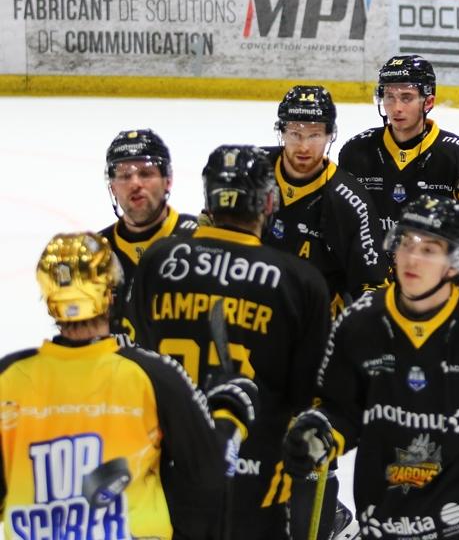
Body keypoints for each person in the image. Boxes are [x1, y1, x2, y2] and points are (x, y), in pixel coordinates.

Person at [283, 193, 459, 540]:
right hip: (384, 520)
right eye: (406, 243)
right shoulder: (361, 322)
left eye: (429, 249)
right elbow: (341, 409)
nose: (411, 258)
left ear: (454, 262)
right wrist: (320, 434)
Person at [129, 145, 332, 540]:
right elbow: (310, 395)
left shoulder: (159, 259)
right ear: (268, 202)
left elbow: (141, 362)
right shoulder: (300, 281)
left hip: (167, 474)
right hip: (255, 482)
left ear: (209, 199)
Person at [1, 231, 256, 540]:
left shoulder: (8, 377)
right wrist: (230, 416)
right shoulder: (154, 375)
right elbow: (209, 475)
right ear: (111, 293)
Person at [339, 56, 459, 280]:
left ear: (428, 102)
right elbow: (343, 223)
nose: (396, 108)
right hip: (372, 283)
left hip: (437, 282)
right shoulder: (355, 152)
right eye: (389, 97)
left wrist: (456, 271)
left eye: (406, 97)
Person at [262, 85, 388, 314]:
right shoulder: (254, 173)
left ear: (330, 135)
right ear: (281, 131)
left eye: (315, 135)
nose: (304, 147)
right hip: (253, 312)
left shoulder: (351, 201)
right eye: (295, 134)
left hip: (315, 321)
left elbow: (371, 284)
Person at [98, 128, 199, 337]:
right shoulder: (96, 253)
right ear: (113, 187)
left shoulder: (201, 239)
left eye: (146, 173)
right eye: (124, 175)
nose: (135, 184)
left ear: (168, 180)